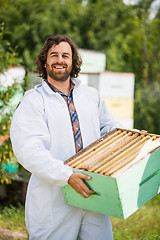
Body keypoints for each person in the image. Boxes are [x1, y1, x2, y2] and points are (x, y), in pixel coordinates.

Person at [10, 35, 122, 240]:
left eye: (65, 55)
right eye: (54, 55)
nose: (59, 60)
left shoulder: (91, 95)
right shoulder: (33, 102)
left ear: (73, 61)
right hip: (54, 198)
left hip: (92, 191)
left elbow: (109, 127)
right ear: (45, 61)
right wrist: (67, 176)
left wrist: (131, 138)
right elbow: (29, 151)